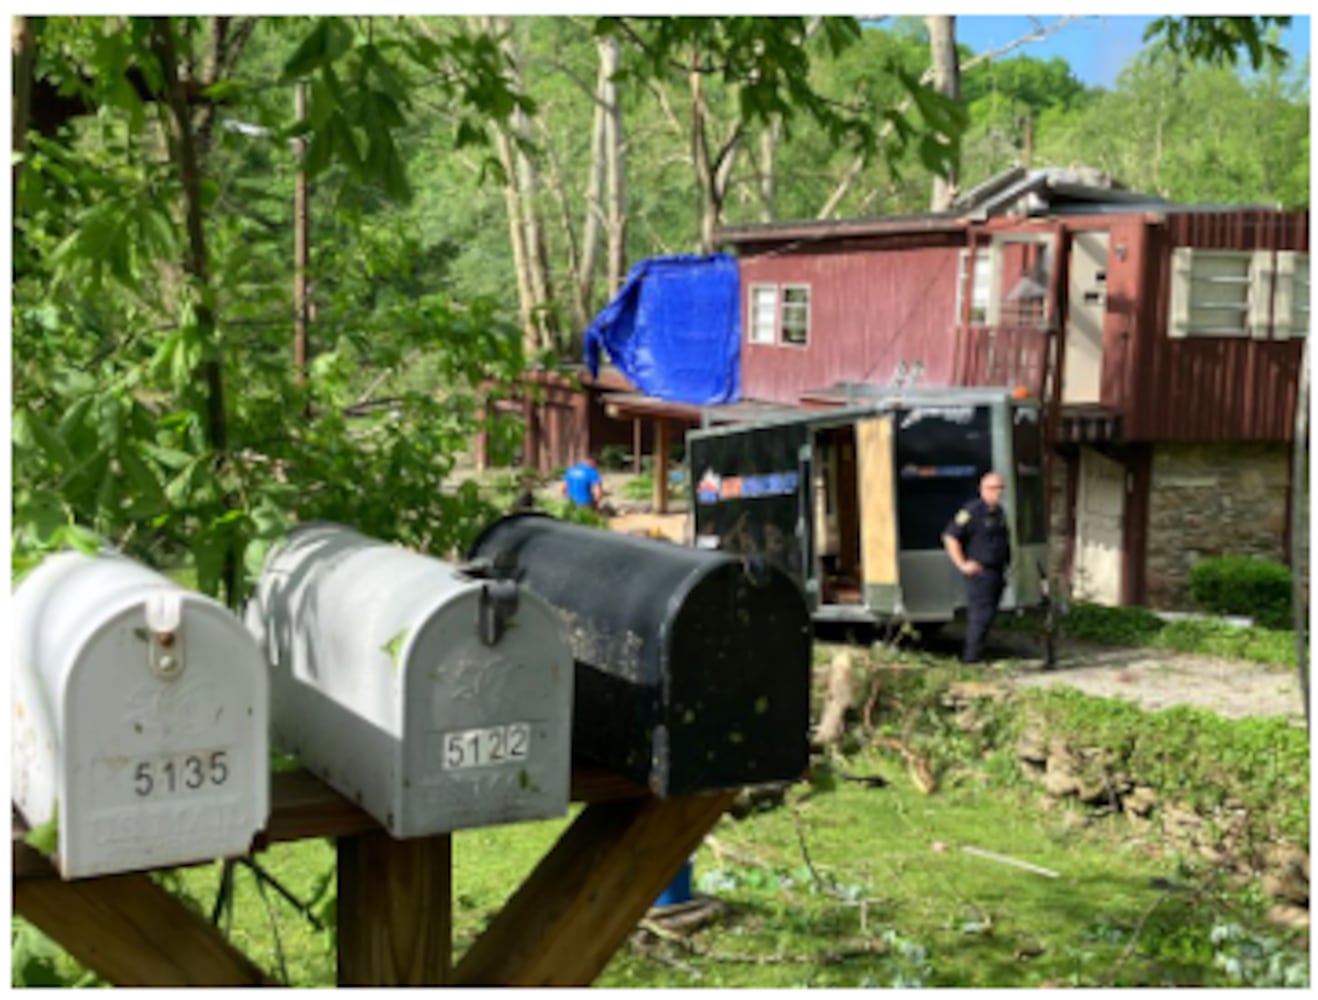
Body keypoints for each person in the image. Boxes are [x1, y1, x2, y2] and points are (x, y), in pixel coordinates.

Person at [942, 470, 1012, 664]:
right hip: (980, 573)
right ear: (982, 490)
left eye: (1000, 488)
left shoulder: (999, 513)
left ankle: (977, 655)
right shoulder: (972, 511)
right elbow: (950, 537)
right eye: (993, 488)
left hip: (996, 572)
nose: (998, 493)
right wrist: (962, 564)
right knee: (980, 617)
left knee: (988, 616)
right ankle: (971, 661)